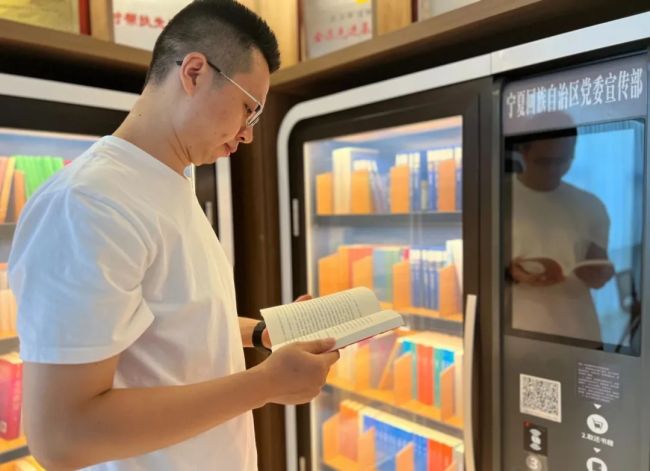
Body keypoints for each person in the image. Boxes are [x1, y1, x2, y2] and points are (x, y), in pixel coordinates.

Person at [8, 1, 339, 470]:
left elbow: (171, 322)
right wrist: (266, 383)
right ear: (195, 72)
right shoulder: (88, 202)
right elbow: (63, 435)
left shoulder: (170, 183)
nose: (247, 134)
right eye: (248, 109)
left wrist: (263, 333)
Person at [508, 125, 615, 343]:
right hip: (519, 332)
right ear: (523, 152)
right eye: (544, 162)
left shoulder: (590, 205)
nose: (553, 170)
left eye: (563, 161)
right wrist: (510, 274)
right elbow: (476, 274)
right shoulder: (496, 199)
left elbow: (597, 265)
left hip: (580, 331)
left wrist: (601, 274)